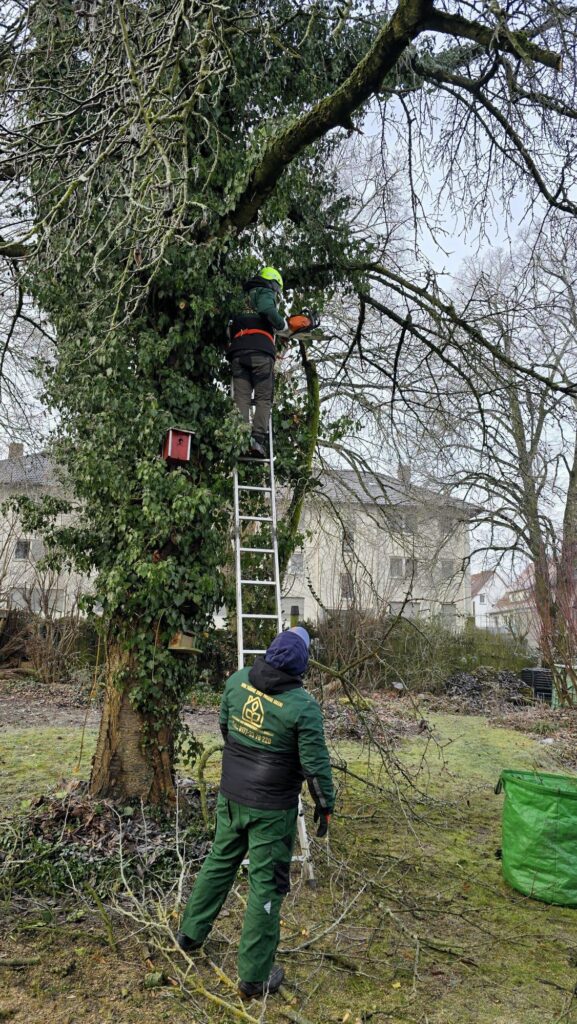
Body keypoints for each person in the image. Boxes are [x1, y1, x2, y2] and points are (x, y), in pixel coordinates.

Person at [176, 626, 335, 999]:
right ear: (302, 667)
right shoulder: (303, 707)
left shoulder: (237, 681)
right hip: (272, 811)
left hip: (231, 797)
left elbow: (227, 730)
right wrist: (325, 806)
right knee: (266, 885)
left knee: (220, 861)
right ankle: (253, 977)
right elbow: (315, 768)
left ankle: (189, 934)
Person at [228, 266, 313, 458]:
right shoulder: (264, 291)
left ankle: (241, 438)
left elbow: (229, 326)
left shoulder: (240, 298)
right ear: (273, 284)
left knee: (241, 398)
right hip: (260, 353)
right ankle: (257, 440)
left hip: (238, 353)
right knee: (263, 398)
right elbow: (267, 309)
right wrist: (282, 325)